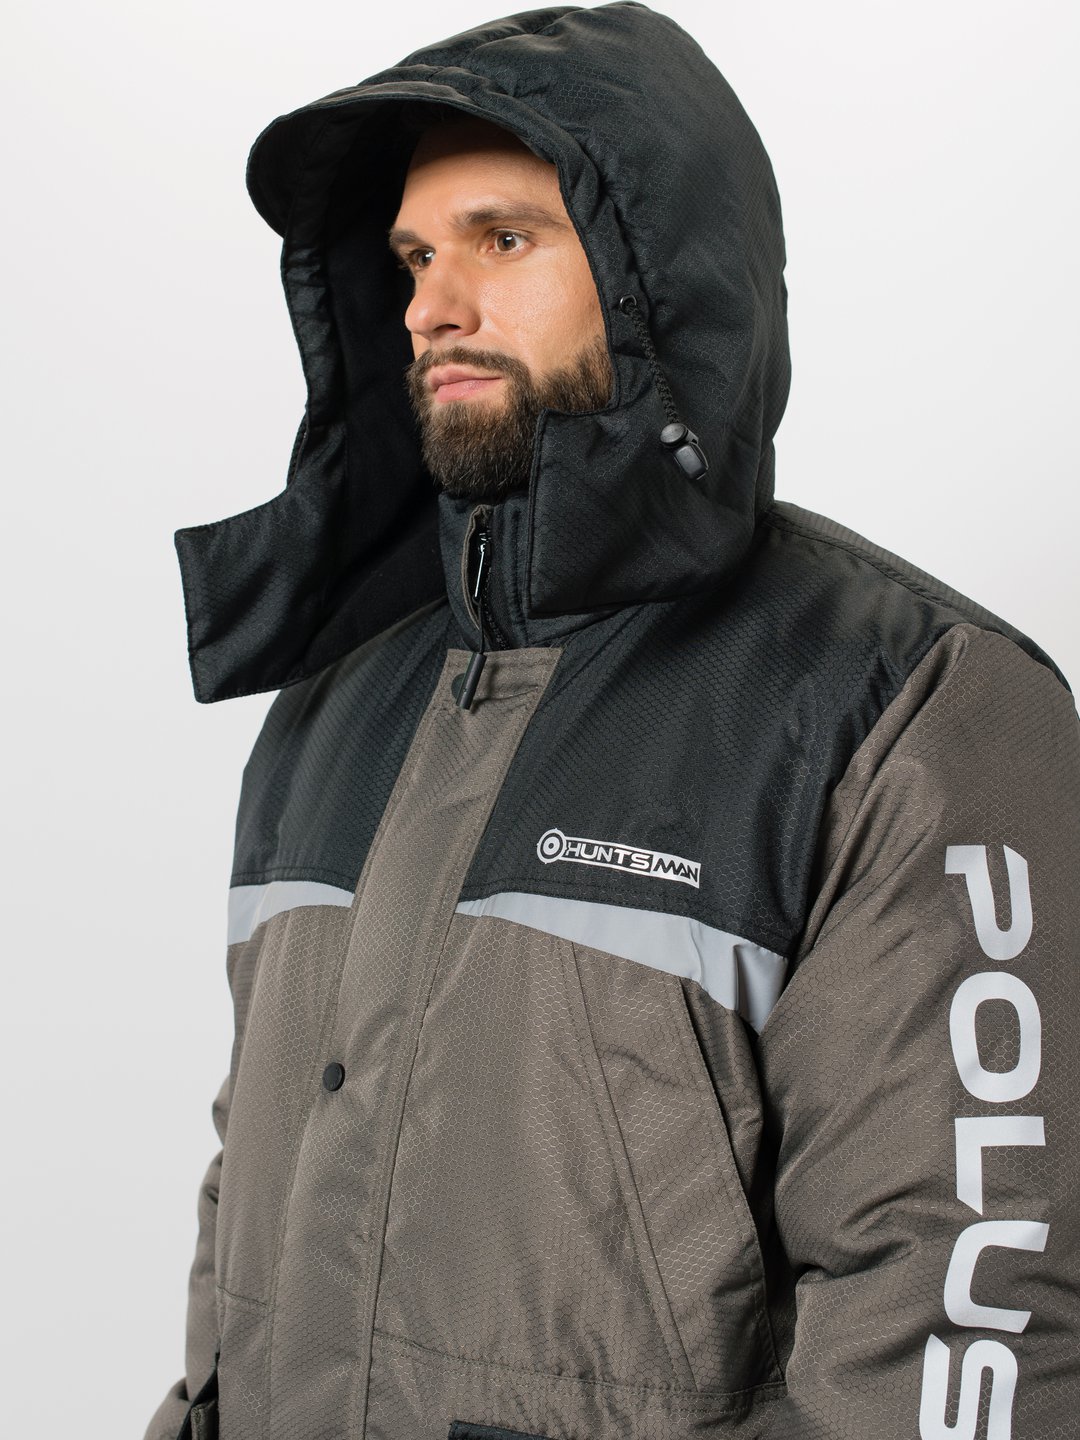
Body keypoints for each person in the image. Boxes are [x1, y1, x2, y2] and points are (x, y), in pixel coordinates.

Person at [144, 4, 1080, 1438]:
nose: (431, 307)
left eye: (504, 239)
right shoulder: (335, 699)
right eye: (414, 257)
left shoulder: (900, 709)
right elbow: (247, 1195)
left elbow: (962, 1307)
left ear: (661, 280)